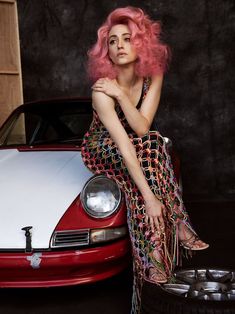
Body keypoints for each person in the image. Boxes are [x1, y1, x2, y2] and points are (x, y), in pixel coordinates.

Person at [81, 6, 209, 314]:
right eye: (112, 41)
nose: (120, 45)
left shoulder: (153, 74)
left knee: (151, 141)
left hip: (138, 143)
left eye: (128, 38)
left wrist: (124, 95)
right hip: (102, 148)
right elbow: (124, 144)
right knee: (147, 154)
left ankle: (154, 259)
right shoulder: (101, 90)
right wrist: (152, 198)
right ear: (105, 51)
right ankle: (176, 223)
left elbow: (141, 127)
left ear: (142, 43)